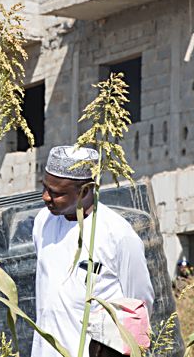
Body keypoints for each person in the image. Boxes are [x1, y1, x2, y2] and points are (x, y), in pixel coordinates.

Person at [31, 146, 155, 357]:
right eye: (45, 188)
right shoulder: (43, 222)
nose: (46, 197)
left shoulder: (117, 234)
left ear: (85, 191)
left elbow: (139, 304)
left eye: (57, 193)